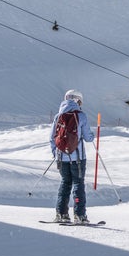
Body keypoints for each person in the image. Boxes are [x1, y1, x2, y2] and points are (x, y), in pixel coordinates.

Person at [49, 89, 95, 223]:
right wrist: (92, 136)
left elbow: (52, 138)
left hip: (61, 158)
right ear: (77, 100)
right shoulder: (81, 116)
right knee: (78, 184)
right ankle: (79, 215)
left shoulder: (58, 116)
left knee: (65, 183)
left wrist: (56, 154)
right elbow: (88, 138)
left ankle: (61, 214)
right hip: (78, 158)